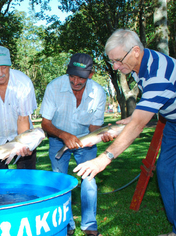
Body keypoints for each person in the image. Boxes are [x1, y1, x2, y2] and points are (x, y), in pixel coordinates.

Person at [73, 29, 176, 236]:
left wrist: (104, 158)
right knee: (165, 172)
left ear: (135, 50)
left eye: (118, 61)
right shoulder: (138, 67)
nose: (116, 67)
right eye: (112, 62)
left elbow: (138, 126)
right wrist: (134, 117)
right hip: (173, 122)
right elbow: (151, 105)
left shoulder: (158, 74)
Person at [40, 53, 107, 236]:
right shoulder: (54, 87)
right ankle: (67, 225)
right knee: (60, 181)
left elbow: (94, 127)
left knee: (89, 180)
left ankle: (90, 227)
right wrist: (63, 135)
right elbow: (45, 123)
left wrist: (102, 135)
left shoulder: (99, 93)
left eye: (81, 77)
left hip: (85, 141)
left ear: (91, 75)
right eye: (72, 76)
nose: (75, 81)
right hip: (57, 138)